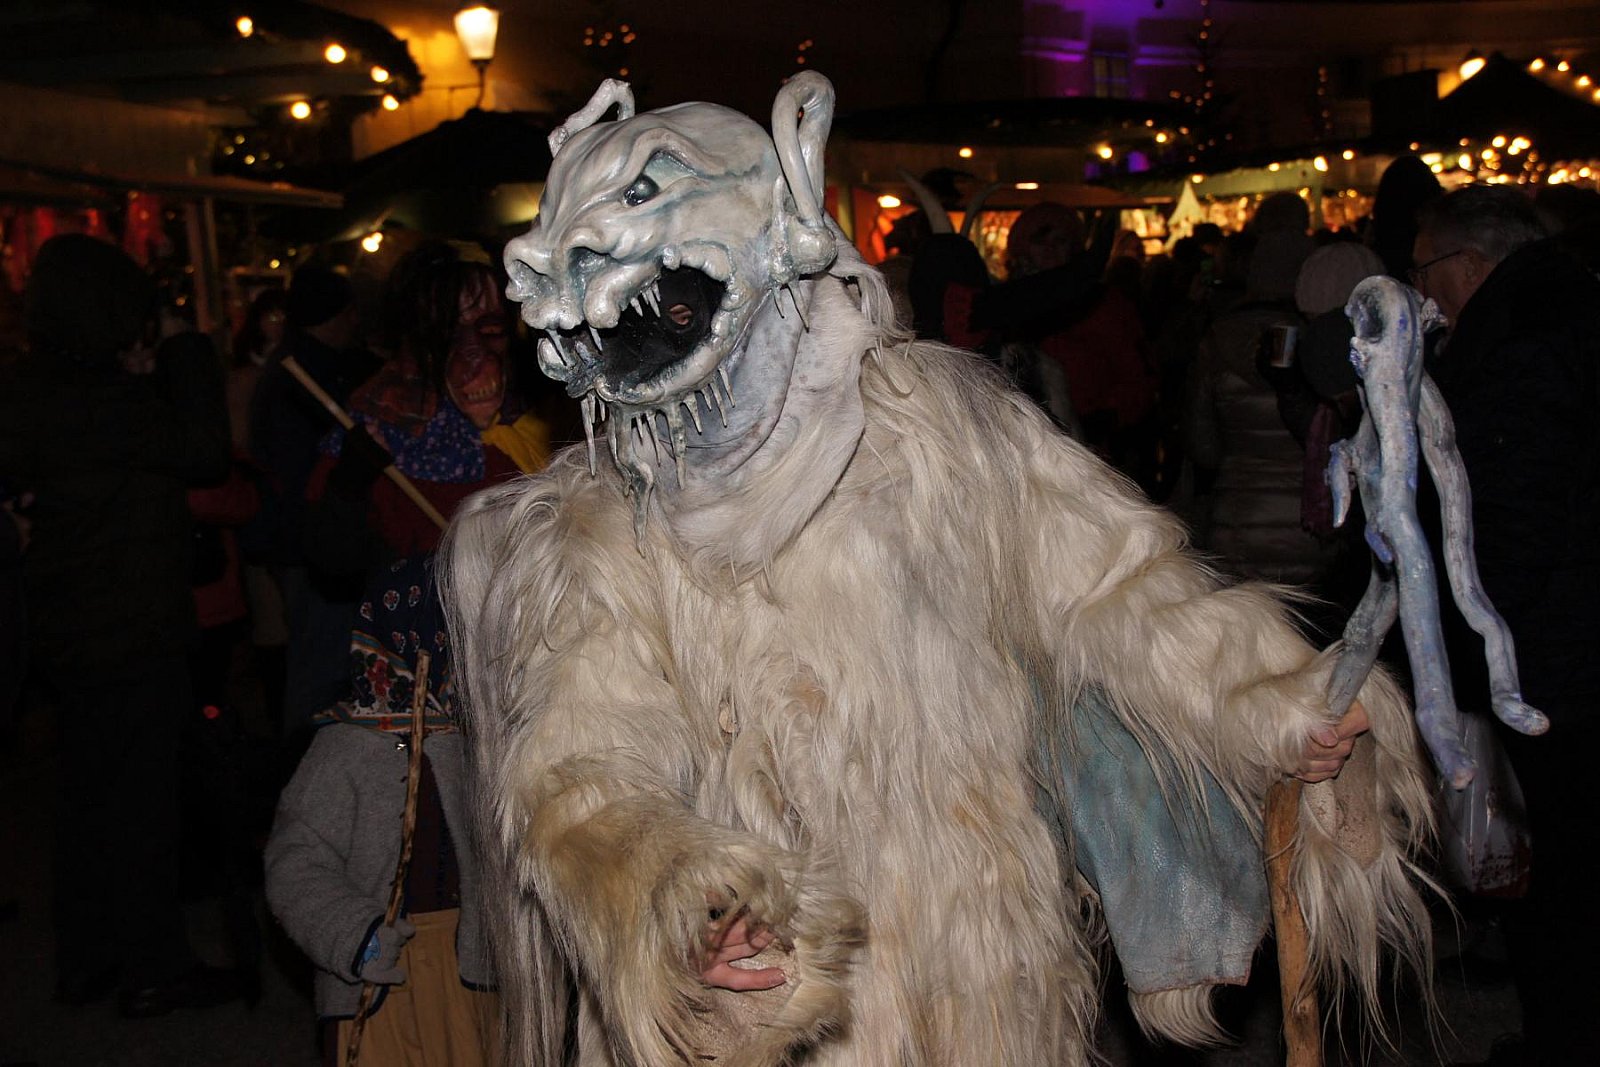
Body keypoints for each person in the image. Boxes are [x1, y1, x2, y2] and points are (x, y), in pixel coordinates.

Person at [0, 234, 244, 1016]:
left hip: (67, 628)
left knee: (86, 800)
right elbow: (205, 450)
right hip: (130, 629)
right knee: (141, 803)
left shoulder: (28, 390)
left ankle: (89, 960)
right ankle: (152, 965)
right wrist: (182, 346)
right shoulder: (108, 401)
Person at [1411, 185, 1600, 1067]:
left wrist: (1473, 650)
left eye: (1426, 272)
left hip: (1557, 658)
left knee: (1563, 874)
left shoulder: (1520, 345)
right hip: (1570, 640)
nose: (1424, 294)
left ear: (1469, 265)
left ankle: (1564, 1038)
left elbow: (1512, 519)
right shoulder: (1570, 309)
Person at [265, 557, 496, 1067]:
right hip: (381, 979)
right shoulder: (344, 751)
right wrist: (352, 934)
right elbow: (295, 863)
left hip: (473, 975)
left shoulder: (473, 745)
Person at [249, 264, 380, 731]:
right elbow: (299, 473)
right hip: (311, 545)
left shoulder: (305, 367)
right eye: (350, 312)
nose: (355, 322)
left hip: (306, 541)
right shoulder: (306, 376)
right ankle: (309, 757)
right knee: (320, 668)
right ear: (337, 314)